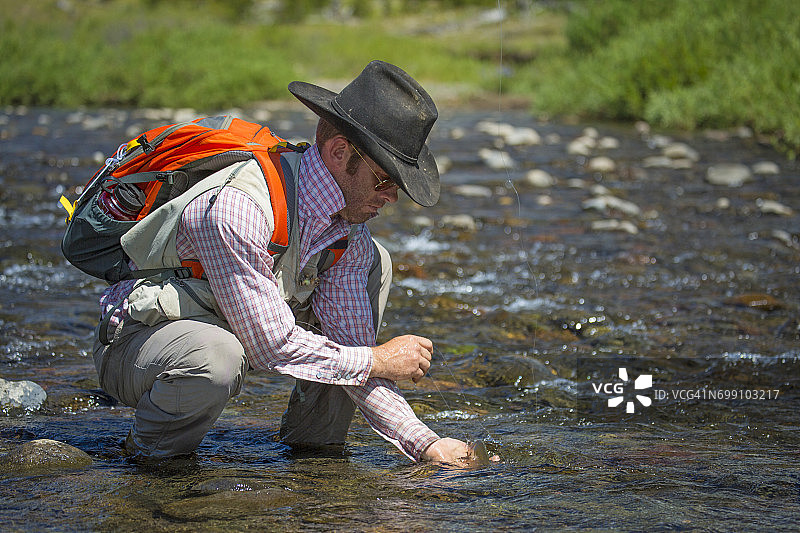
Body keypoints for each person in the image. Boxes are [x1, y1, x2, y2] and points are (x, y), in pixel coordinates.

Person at [92, 60, 472, 465]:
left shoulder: (350, 235)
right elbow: (271, 347)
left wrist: (427, 445)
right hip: (140, 345)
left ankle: (313, 457)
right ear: (340, 153)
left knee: (376, 264)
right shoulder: (238, 209)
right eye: (385, 180)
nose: (392, 197)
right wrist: (380, 359)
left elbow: (352, 352)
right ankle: (147, 459)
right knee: (217, 359)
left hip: (241, 333)